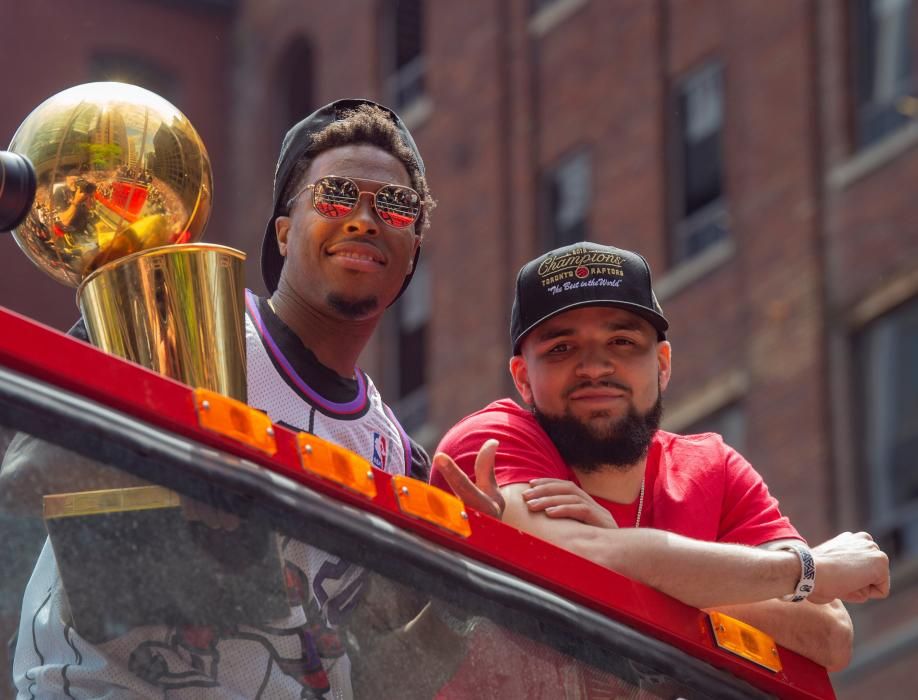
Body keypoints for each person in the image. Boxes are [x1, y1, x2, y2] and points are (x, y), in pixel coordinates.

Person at [3, 99, 443, 698]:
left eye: (394, 205)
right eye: (337, 195)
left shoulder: (398, 456)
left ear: (413, 245)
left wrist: (467, 596)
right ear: (285, 233)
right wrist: (179, 471)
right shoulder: (173, 317)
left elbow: (378, 677)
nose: (365, 220)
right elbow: (25, 478)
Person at [431, 241, 890, 672]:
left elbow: (828, 634)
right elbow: (583, 555)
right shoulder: (491, 441)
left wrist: (630, 562)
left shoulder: (714, 468)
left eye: (622, 342)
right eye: (561, 349)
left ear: (663, 364)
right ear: (523, 377)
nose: (594, 366)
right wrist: (803, 570)